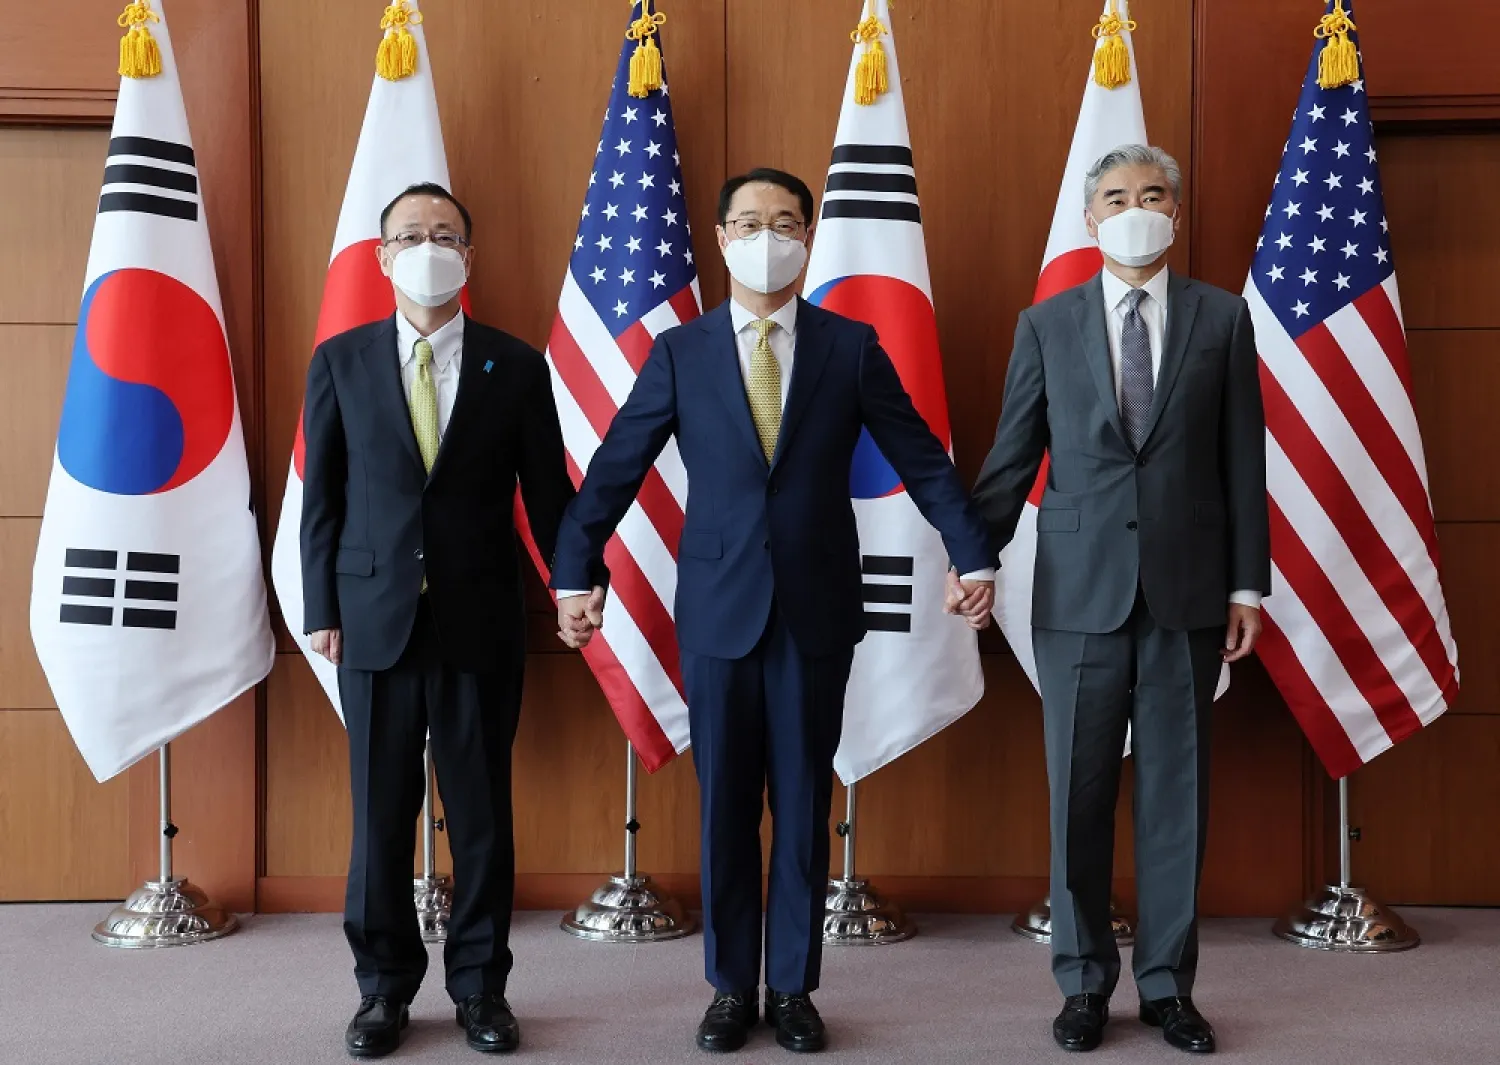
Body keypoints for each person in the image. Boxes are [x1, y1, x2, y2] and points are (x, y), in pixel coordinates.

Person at [549, 168, 995, 1054]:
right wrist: (576, 568)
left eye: (786, 221)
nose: (768, 235)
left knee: (799, 806)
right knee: (724, 813)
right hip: (715, 613)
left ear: (809, 234)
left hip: (817, 611)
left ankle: (790, 985)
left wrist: (972, 548)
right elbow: (614, 468)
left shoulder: (851, 345)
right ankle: (727, 988)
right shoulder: (682, 351)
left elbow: (922, 457)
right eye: (750, 222)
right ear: (720, 238)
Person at [972, 145, 1270, 1056]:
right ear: (1090, 219)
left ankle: (1171, 988)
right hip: (1076, 594)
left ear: (1174, 214)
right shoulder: (1046, 325)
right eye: (1115, 197)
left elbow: (1242, 461)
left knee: (1176, 796)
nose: (1134, 208)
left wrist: (1246, 581)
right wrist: (971, 555)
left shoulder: (1223, 319)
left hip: (1187, 590)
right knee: (1081, 794)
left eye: (1151, 195)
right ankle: (1083, 984)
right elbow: (1012, 455)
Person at [300, 183, 575, 1058]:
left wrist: (576, 583)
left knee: (483, 815)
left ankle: (480, 989)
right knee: (380, 817)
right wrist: (320, 608)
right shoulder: (340, 360)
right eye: (411, 235)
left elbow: (551, 497)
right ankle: (382, 989)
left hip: (481, 620)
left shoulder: (515, 363)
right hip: (372, 622)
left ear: (470, 255)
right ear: (381, 257)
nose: (429, 247)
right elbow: (324, 500)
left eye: (445, 233)